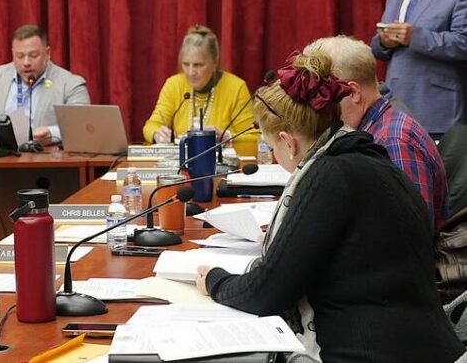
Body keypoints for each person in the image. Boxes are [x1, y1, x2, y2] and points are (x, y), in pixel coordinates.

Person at [195, 50, 464, 362]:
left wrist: (215, 280)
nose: (274, 156)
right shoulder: (370, 157)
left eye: (271, 147)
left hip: (371, 350)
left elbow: (269, 291)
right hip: (424, 345)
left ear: (288, 141)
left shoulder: (329, 175)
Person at [305, 35, 449, 231]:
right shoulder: (370, 130)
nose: (315, 106)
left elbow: (409, 237)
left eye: (320, 94)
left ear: (353, 93)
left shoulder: (392, 141)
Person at [370, 0, 467, 138]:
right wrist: (385, 42)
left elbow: (463, 43)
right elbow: (376, 48)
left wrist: (414, 37)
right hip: (395, 109)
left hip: (439, 111)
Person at [0, 24, 90, 144]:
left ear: (47, 54)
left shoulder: (71, 84)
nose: (26, 62)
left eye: (33, 55)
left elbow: (82, 125)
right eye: (20, 56)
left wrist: (52, 133)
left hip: (46, 162)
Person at [142, 24, 259, 154]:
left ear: (214, 63)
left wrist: (226, 138)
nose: (191, 72)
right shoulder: (174, 85)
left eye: (198, 65)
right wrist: (157, 133)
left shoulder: (236, 88)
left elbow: (255, 138)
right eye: (186, 64)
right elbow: (150, 126)